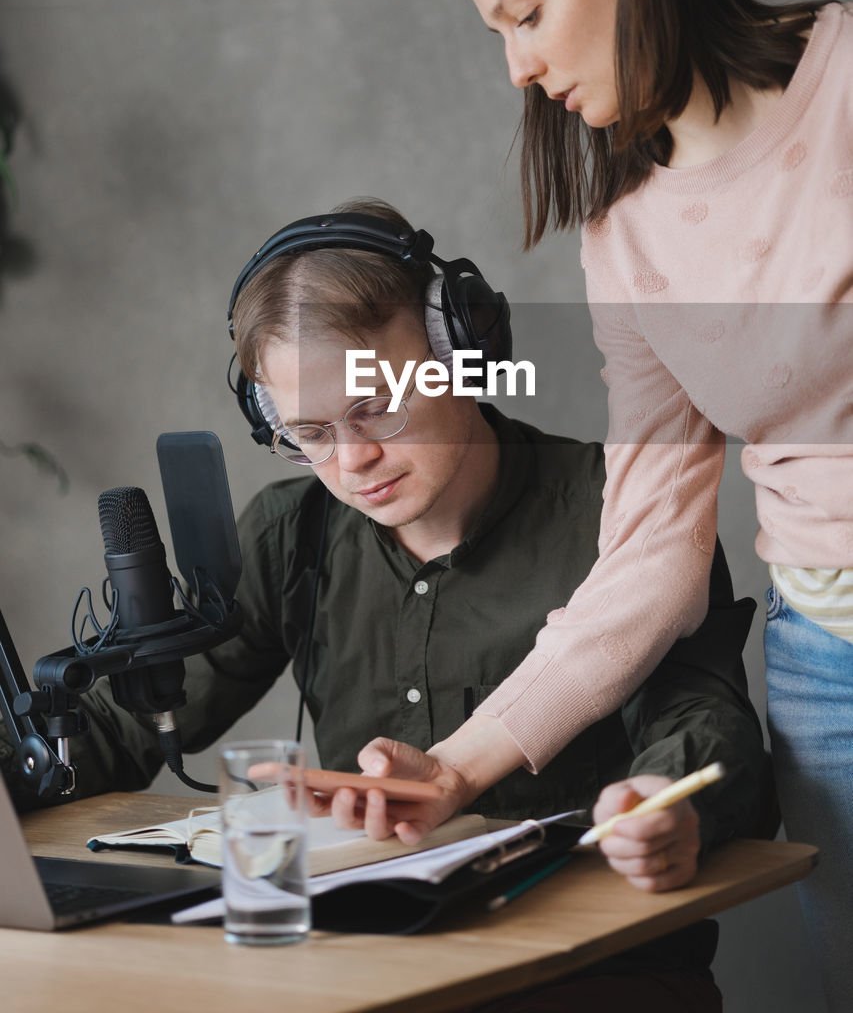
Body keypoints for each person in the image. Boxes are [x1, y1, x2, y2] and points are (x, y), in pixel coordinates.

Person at [0, 198, 770, 1010]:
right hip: (362, 976)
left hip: (587, 974)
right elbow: (130, 725)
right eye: (311, 433)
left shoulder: (624, 511)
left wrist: (661, 804)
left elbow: (704, 723)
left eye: (375, 407)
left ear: (461, 352)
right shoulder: (290, 531)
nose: (353, 458)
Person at [333, 0, 851, 1010]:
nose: (516, 68)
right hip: (833, 668)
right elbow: (652, 554)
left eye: (526, 15)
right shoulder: (625, 237)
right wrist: (456, 768)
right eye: (495, 35)